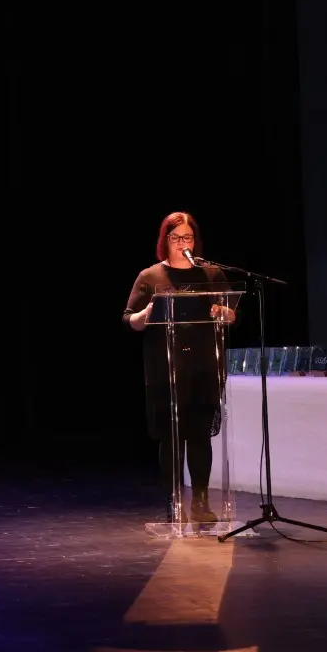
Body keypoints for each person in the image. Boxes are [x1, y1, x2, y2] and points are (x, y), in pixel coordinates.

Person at [122, 212, 237, 523]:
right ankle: (173, 503)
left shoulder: (212, 274)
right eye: (175, 238)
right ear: (165, 241)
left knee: (199, 435)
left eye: (187, 237)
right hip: (166, 371)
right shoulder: (150, 276)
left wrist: (225, 312)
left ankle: (200, 502)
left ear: (195, 241)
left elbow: (231, 315)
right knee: (171, 438)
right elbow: (129, 319)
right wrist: (146, 313)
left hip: (204, 368)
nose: (182, 243)